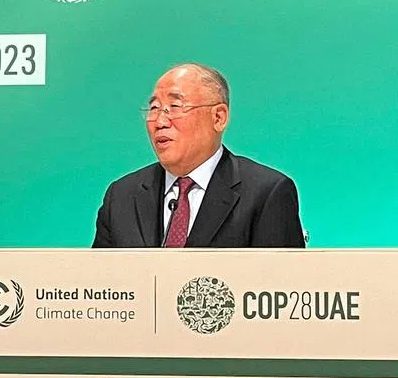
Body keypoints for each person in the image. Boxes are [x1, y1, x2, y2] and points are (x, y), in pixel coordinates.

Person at [93, 63, 305, 248]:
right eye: (154, 108)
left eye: (174, 106)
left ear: (218, 117)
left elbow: (281, 286)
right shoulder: (121, 196)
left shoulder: (266, 193)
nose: (160, 122)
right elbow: (100, 287)